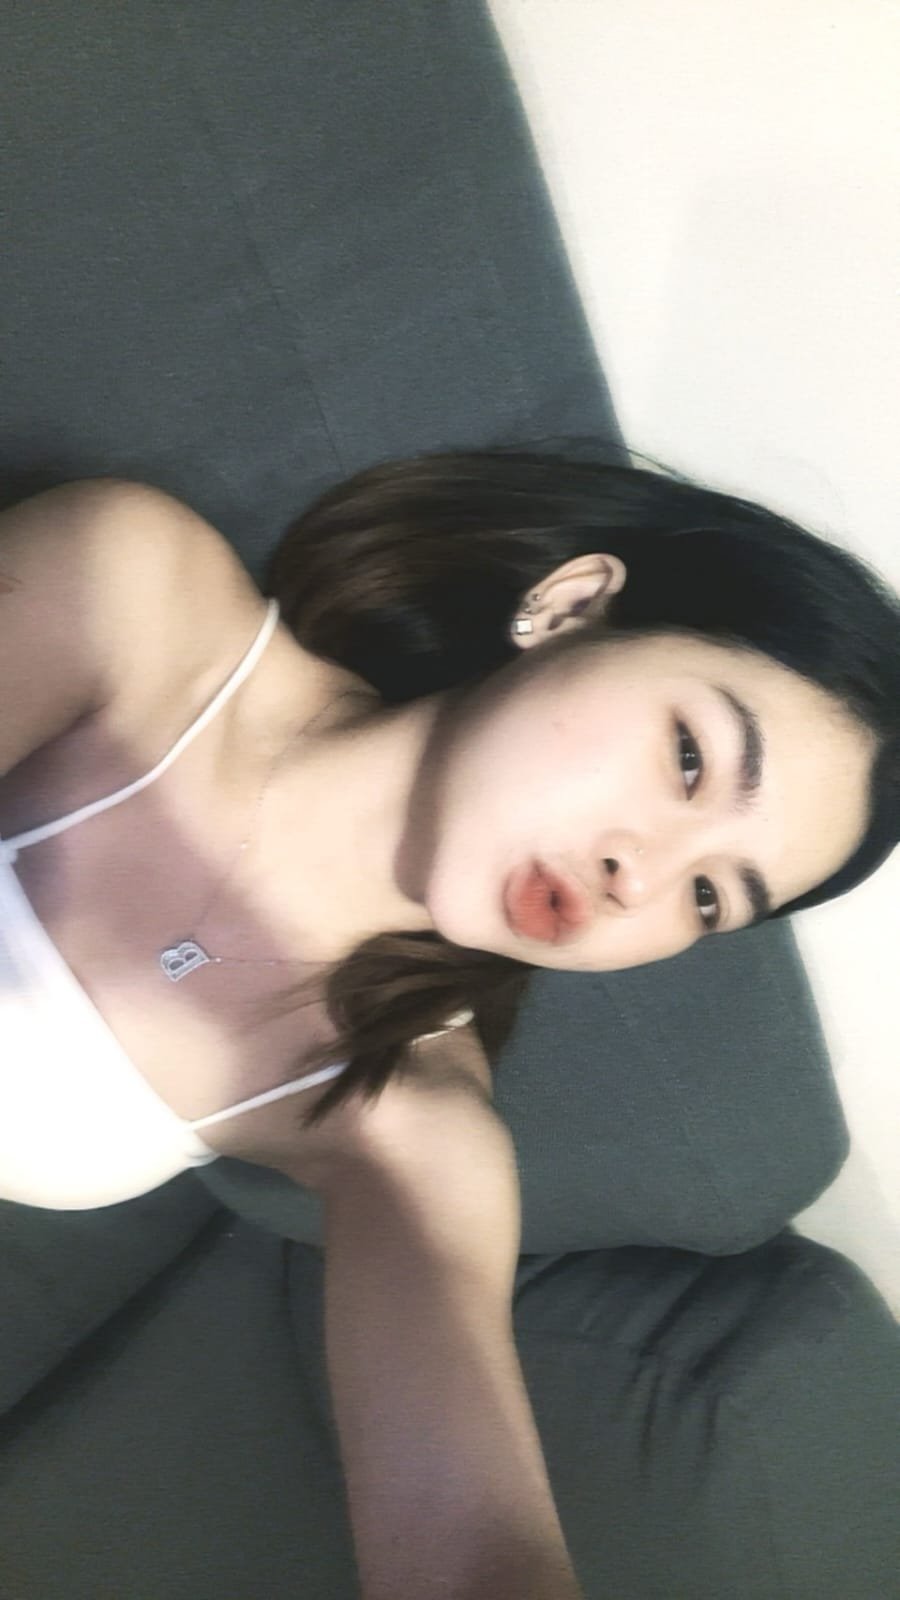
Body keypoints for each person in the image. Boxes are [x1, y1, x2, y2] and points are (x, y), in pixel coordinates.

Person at [1, 448, 897, 1598]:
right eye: (689, 757)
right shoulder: (136, 594)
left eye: (713, 897)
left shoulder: (415, 1125)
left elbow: (469, 1548)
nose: (642, 878)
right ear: (569, 609)